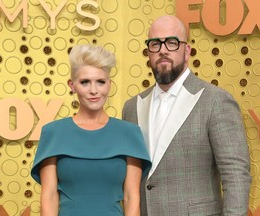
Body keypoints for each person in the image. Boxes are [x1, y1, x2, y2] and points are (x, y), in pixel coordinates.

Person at [122, 15, 251, 215]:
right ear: (148, 52)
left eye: (172, 43)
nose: (163, 50)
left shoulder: (216, 100)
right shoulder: (132, 107)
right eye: (155, 44)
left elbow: (236, 176)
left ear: (187, 51)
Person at [31, 44, 151, 216]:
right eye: (85, 82)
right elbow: (49, 197)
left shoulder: (129, 134)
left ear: (109, 84)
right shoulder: (53, 133)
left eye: (100, 82)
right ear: (72, 86)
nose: (93, 90)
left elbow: (131, 197)